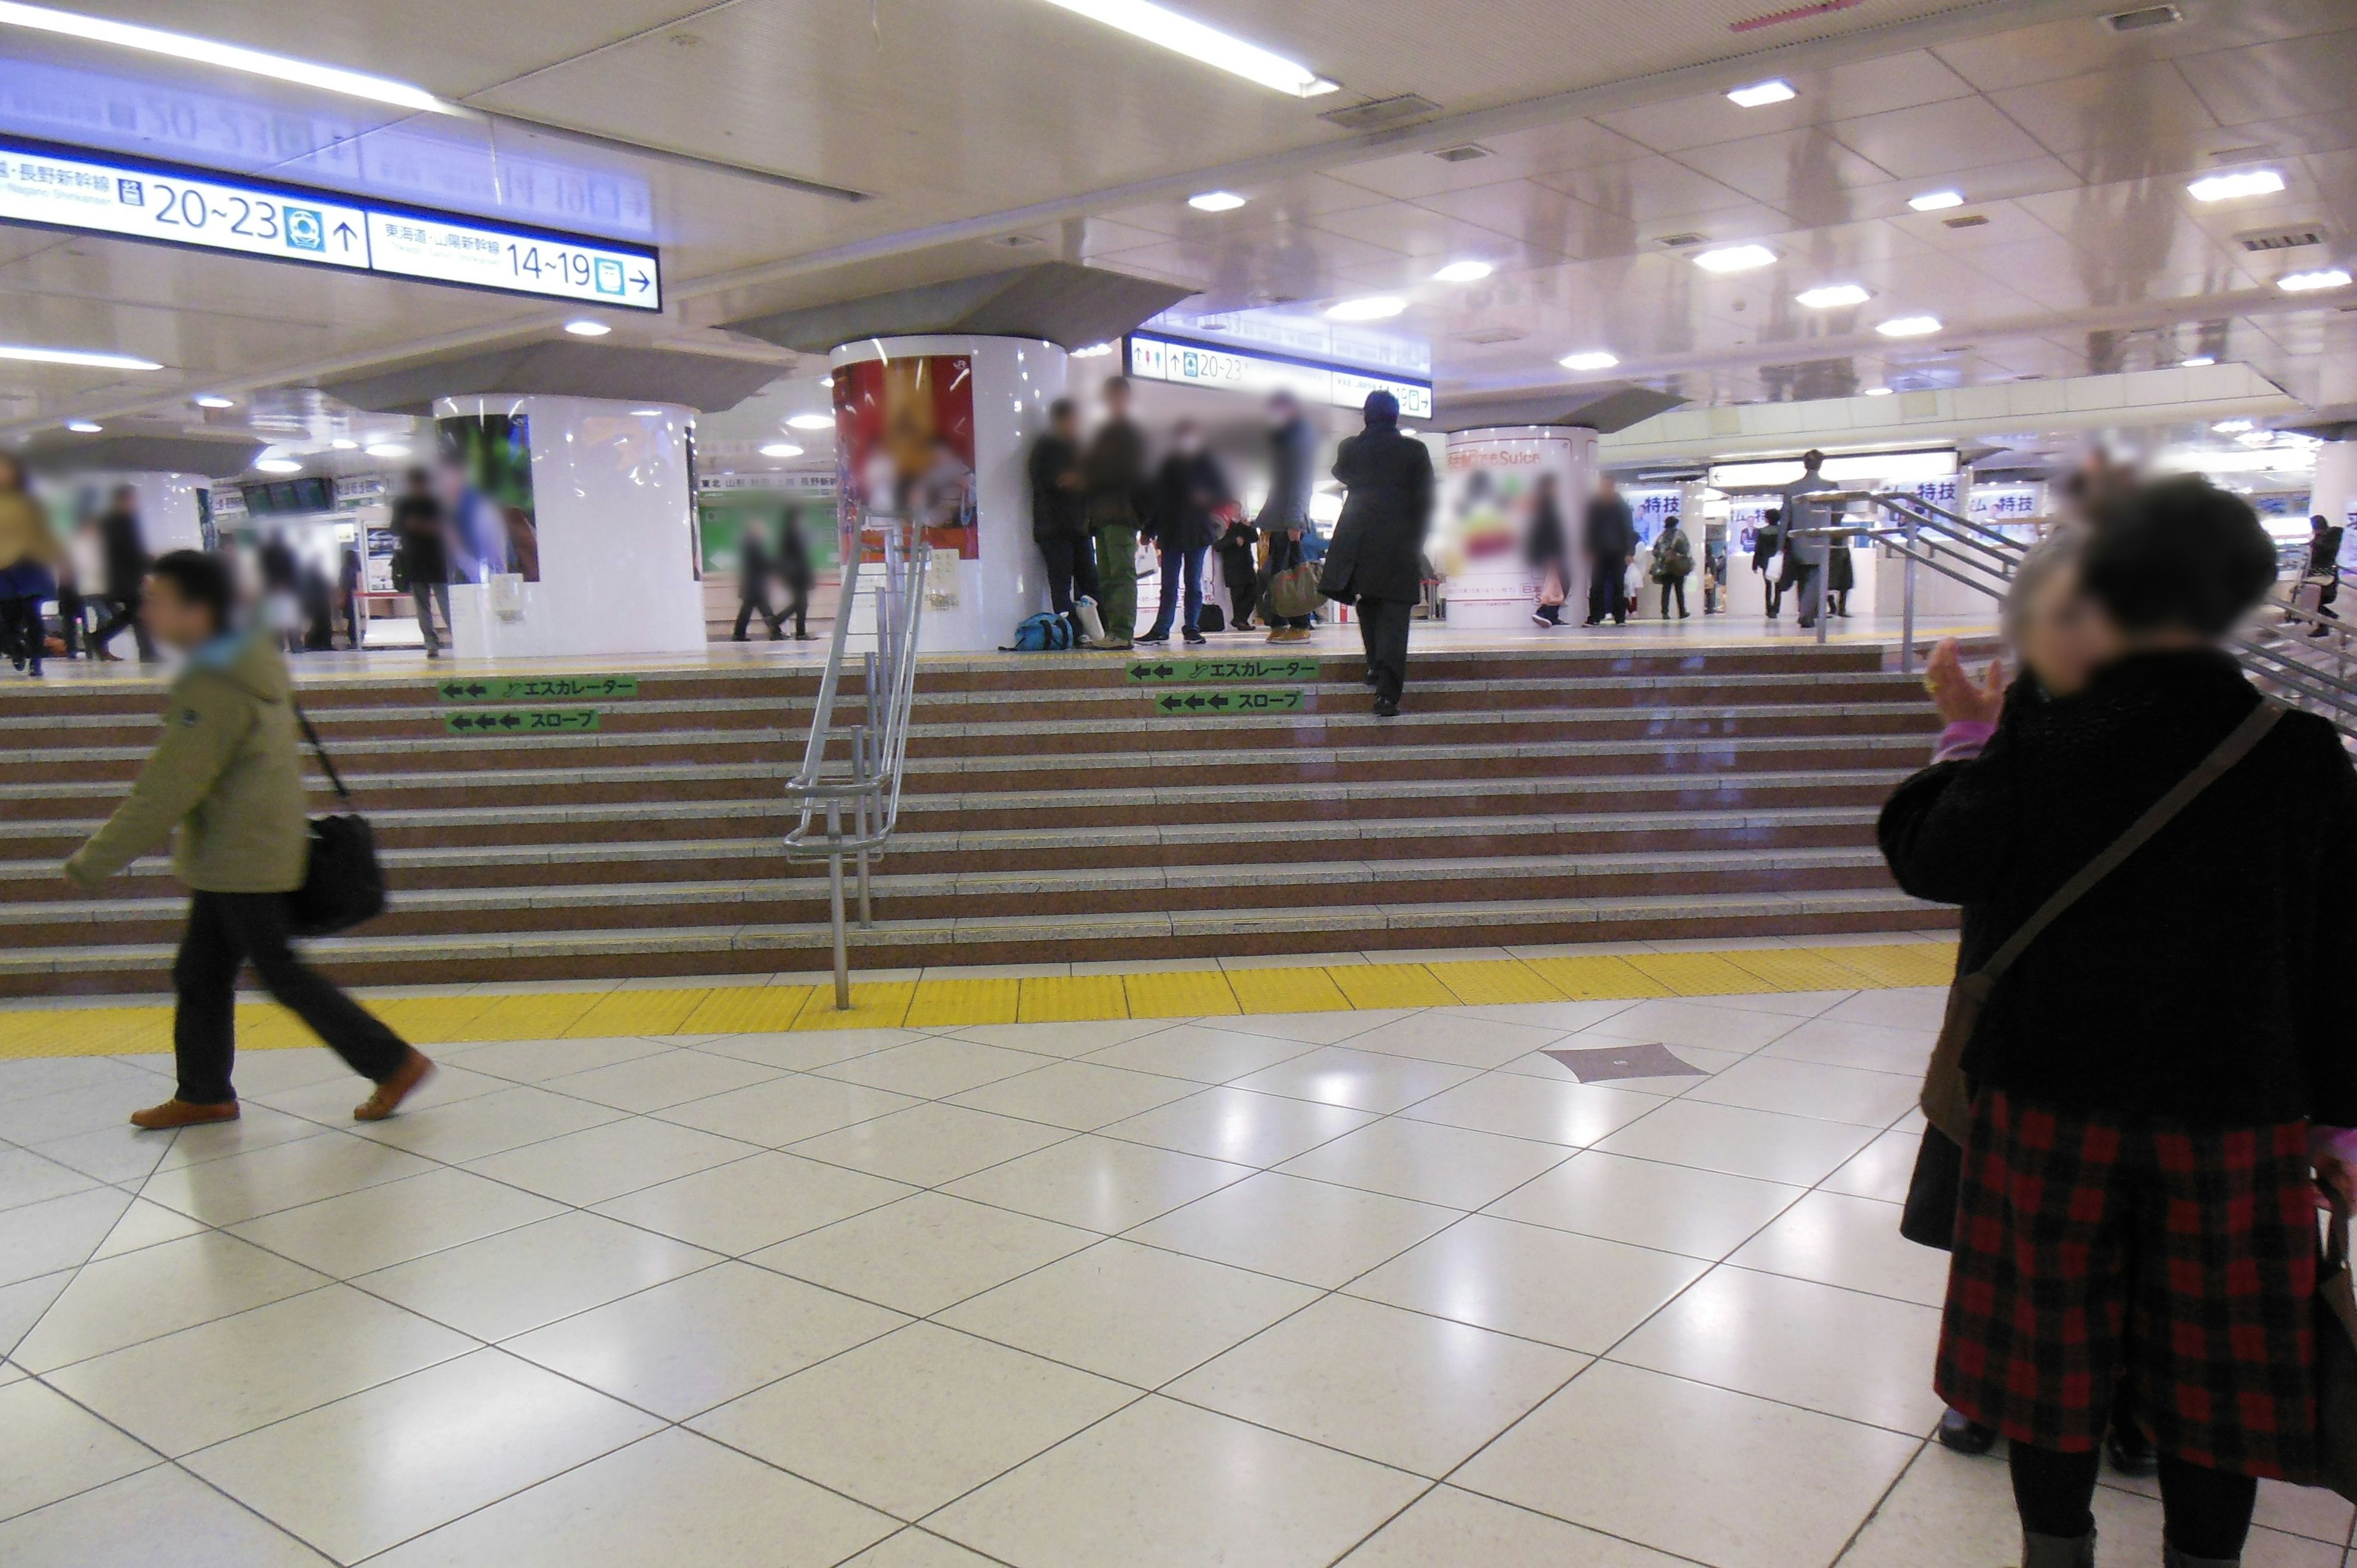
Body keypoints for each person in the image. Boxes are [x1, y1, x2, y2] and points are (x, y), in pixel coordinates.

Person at [1879, 476, 2356, 1568]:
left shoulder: (2052, 731)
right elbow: (2339, 959)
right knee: (2216, 1375)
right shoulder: (2299, 752)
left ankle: (2059, 1551)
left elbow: (1933, 859)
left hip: (2050, 1104)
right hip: (2236, 1117)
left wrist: (1966, 733)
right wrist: (2338, 1130)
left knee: (2047, 1364)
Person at [63, 550, 435, 1130]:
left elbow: (166, 789)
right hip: (242, 851)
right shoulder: (246, 661)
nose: (146, 610)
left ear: (199, 609)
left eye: (158, 599)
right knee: (201, 973)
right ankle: (204, 1091)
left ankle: (391, 1060)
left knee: (279, 972)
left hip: (241, 858)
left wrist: (93, 861)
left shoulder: (214, 684)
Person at [1320, 390, 1433, 718]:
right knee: (1395, 617)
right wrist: (1417, 539)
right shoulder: (1414, 450)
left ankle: (1373, 664)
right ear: (1397, 417)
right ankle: (1387, 695)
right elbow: (1426, 499)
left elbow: (1340, 472)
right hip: (1399, 542)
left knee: (1367, 604)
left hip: (1359, 540)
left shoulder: (1351, 448)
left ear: (1366, 416)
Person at [1141, 420, 1226, 647]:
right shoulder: (1168, 465)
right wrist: (1149, 530)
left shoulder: (1207, 464)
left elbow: (1222, 494)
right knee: (1169, 585)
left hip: (1197, 532)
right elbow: (1157, 501)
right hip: (1171, 531)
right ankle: (1162, 629)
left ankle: (1191, 628)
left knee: (1193, 583)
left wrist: (1207, 498)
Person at [1081, 376, 1148, 651]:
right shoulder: (1105, 432)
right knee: (1107, 575)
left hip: (1121, 514)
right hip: (1102, 515)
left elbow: (1130, 473)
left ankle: (1122, 632)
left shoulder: (1129, 433)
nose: (1112, 402)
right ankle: (1113, 631)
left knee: (1121, 573)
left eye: (1117, 396)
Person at [1028, 398, 1093, 644]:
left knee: (1089, 582)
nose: (1075, 424)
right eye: (1071, 419)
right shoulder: (1047, 448)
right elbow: (1060, 482)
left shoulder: (1077, 447)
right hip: (1054, 529)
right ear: (1059, 420)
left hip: (1079, 527)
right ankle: (1071, 632)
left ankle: (1094, 629)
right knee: (1062, 584)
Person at [1255, 391, 1318, 643]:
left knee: (1292, 575)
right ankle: (1281, 623)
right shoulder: (1286, 437)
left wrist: (1295, 521)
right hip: (1279, 519)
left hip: (1289, 521)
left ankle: (1300, 624)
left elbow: (1302, 482)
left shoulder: (1300, 436)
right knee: (1277, 575)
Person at [0, 455, 58, 677]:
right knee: (9, 619)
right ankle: (16, 648)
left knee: (32, 614)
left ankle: (36, 660)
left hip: (29, 568)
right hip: (5, 570)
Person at [89, 484, 158, 662]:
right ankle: (99, 637)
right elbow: (130, 551)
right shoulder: (123, 521)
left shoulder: (109, 521)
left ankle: (147, 652)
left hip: (116, 576)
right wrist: (149, 567)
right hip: (123, 577)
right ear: (124, 500)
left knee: (136, 612)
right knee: (137, 610)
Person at [390, 469, 450, 657]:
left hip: (437, 560)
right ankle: (431, 643)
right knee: (422, 606)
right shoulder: (402, 505)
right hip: (414, 562)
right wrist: (410, 525)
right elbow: (394, 529)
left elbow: (445, 528)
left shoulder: (435, 503)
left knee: (446, 603)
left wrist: (423, 527)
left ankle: (457, 637)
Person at [1780, 449, 1836, 628]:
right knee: (1817, 575)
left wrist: (1781, 543)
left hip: (1798, 539)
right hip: (1821, 538)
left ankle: (1805, 610)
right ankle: (1807, 612)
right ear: (1821, 464)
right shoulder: (1831, 487)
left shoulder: (1792, 488)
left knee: (1803, 575)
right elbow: (1838, 515)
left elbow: (1785, 519)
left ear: (1805, 464)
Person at [1581, 476, 1635, 626]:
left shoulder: (1622, 506)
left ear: (1613, 487)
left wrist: (1630, 552)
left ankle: (1620, 617)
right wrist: (1588, 549)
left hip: (1619, 551)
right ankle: (1595, 616)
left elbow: (1629, 530)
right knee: (1597, 585)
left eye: (1608, 486)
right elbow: (1589, 529)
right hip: (1600, 551)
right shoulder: (1594, 505)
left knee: (1619, 584)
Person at [1526, 473, 1573, 627]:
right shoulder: (1547, 505)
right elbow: (1548, 531)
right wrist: (1553, 552)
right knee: (1562, 581)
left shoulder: (1545, 504)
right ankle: (1543, 611)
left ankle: (1552, 616)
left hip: (1549, 550)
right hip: (1551, 551)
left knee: (1556, 584)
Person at [731, 518, 785, 641]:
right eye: (761, 530)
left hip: (752, 583)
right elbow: (762, 562)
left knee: (753, 610)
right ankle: (775, 633)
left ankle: (739, 634)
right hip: (755, 584)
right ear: (755, 531)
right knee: (761, 609)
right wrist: (778, 565)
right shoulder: (754, 544)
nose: (764, 532)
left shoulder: (749, 543)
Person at [1213, 508, 1260, 633]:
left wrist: (1249, 527)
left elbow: (1255, 538)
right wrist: (1234, 542)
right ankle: (1241, 621)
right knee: (1238, 595)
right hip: (1233, 567)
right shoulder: (1224, 526)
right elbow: (1217, 545)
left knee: (1254, 592)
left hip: (1247, 564)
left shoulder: (1243, 526)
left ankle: (1240, 619)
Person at [778, 504, 815, 640]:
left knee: (800, 604)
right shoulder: (791, 533)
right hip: (797, 575)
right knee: (801, 604)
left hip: (796, 574)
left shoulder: (791, 533)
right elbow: (797, 555)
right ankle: (798, 632)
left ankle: (797, 630)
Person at [1650, 513, 1694, 619]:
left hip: (1665, 568)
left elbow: (1655, 551)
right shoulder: (1680, 535)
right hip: (1677, 567)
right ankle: (1682, 612)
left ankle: (1665, 613)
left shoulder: (1661, 537)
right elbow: (1685, 549)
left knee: (1666, 590)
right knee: (1679, 590)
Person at [2309, 512, 2343, 636]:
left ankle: (2327, 620)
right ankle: (2326, 622)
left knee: (2316, 600)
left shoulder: (2326, 538)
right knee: (2317, 600)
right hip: (2326, 575)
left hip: (2323, 575)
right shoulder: (2329, 537)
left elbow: (2325, 551)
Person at [1754, 508, 1786, 618]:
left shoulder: (1762, 532)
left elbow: (1758, 549)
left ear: (1767, 519)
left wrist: (1755, 564)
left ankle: (1769, 609)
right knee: (1778, 586)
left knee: (1768, 586)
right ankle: (1776, 610)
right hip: (1779, 561)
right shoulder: (1782, 532)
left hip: (1765, 562)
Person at [338, 545, 364, 650]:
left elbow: (343, 585)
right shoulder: (358, 569)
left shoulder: (345, 569)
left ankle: (354, 640)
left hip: (349, 597)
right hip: (356, 597)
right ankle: (357, 639)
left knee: (352, 620)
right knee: (355, 620)